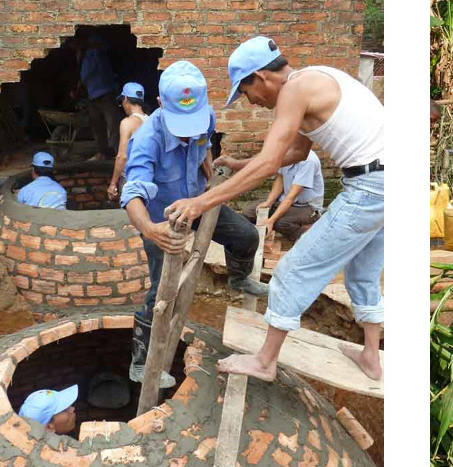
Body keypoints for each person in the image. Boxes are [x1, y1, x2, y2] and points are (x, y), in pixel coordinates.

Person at [165, 36, 384, 381]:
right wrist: (239, 164)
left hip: (371, 187)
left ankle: (265, 361)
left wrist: (200, 202)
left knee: (292, 272)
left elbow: (270, 163)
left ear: (261, 77)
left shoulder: (295, 90)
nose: (251, 102)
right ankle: (371, 356)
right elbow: (295, 152)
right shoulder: (314, 78)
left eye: (246, 92)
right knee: (363, 273)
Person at [119, 61, 269, 388]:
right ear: (160, 103)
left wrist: (210, 179)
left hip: (197, 203)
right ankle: (140, 362)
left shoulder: (206, 117)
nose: (188, 131)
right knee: (162, 292)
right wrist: (151, 231)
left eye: (193, 122)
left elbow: (204, 147)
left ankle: (238, 279)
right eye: (181, 124)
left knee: (246, 236)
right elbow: (132, 193)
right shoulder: (146, 139)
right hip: (162, 220)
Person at [233, 150, 324, 242]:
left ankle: (305, 234)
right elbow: (280, 179)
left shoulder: (309, 161)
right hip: (285, 200)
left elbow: (291, 196)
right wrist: (269, 202)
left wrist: (271, 220)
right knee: (249, 212)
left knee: (281, 223)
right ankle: (259, 236)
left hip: (306, 206)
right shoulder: (285, 154)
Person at [76, 34, 122, 161]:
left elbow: (85, 75)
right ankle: (107, 152)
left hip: (103, 94)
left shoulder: (93, 54)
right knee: (106, 125)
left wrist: (77, 88)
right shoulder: (94, 54)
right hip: (98, 94)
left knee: (108, 125)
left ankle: (110, 153)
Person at [108, 82, 149, 200]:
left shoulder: (127, 123)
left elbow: (122, 156)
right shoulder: (151, 120)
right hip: (148, 176)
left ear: (125, 99)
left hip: (131, 179)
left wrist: (113, 183)